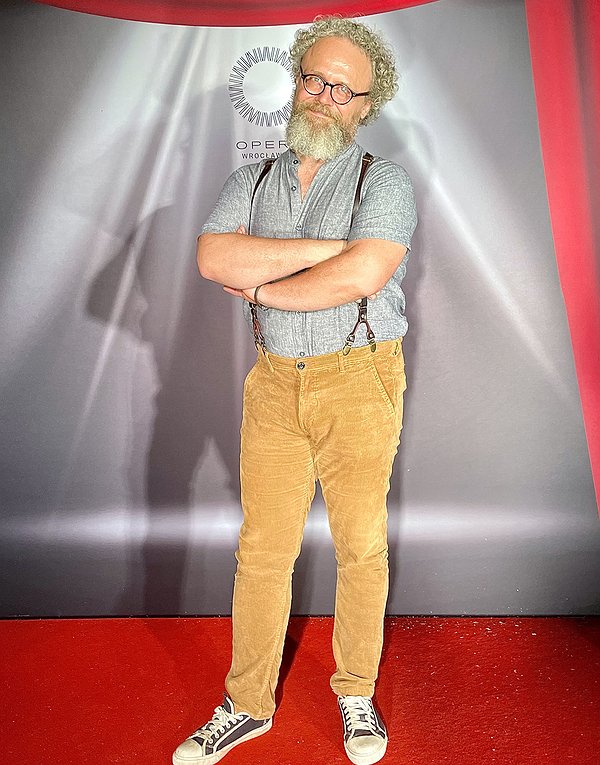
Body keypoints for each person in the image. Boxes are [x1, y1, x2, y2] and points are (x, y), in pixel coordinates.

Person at [173, 15, 417, 765]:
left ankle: (356, 692)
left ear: (366, 104)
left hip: (361, 376)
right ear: (296, 81)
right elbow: (214, 257)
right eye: (315, 79)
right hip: (275, 382)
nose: (324, 97)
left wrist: (263, 286)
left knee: (361, 545)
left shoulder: (386, 181)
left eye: (344, 90)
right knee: (261, 550)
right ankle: (247, 704)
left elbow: (363, 275)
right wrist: (328, 249)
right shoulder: (248, 180)